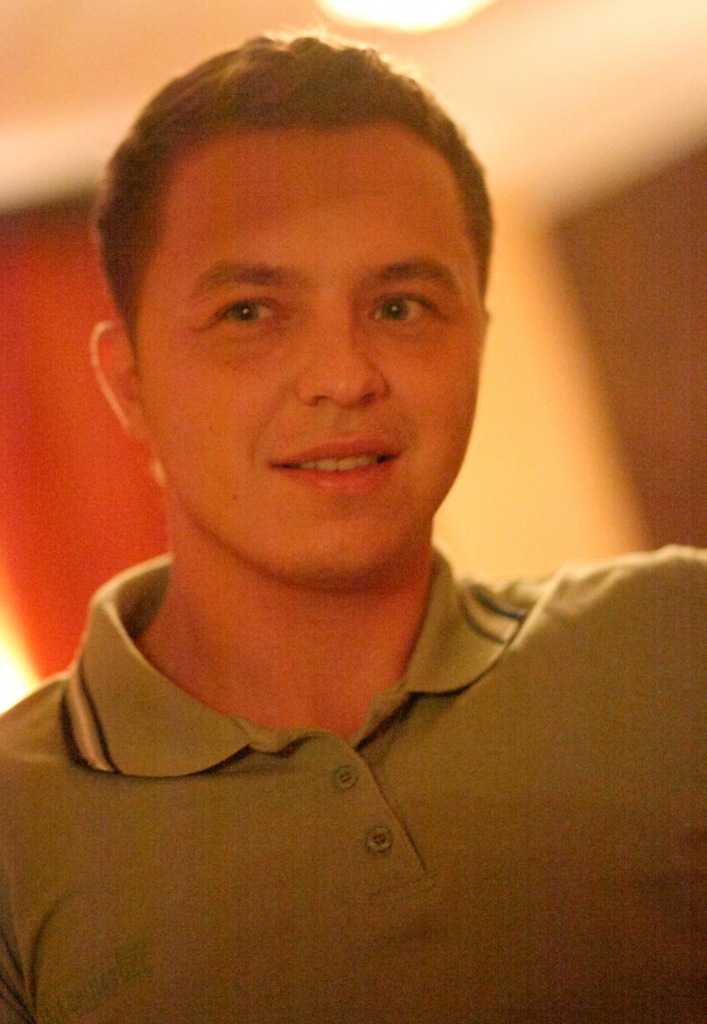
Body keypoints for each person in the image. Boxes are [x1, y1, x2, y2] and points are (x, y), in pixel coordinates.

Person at [0, 33, 704, 1024]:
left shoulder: (674, 640)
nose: (342, 375)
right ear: (130, 385)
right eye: (250, 313)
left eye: (401, 305)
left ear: (475, 344)